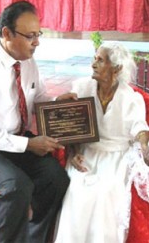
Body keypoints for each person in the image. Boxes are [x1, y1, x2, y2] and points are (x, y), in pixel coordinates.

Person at [0, 0, 75, 243]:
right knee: (17, 187)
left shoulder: (28, 61)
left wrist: (55, 100)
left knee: (57, 179)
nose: (37, 42)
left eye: (38, 34)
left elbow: (37, 95)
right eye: (30, 35)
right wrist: (29, 145)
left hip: (18, 138)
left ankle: (36, 237)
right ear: (7, 34)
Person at [54, 42, 149, 243]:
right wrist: (75, 152)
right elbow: (73, 126)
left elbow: (139, 128)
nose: (93, 64)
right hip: (86, 151)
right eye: (94, 58)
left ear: (117, 68)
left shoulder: (131, 98)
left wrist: (145, 144)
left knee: (107, 190)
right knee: (75, 188)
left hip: (117, 155)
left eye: (100, 60)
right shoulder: (82, 88)